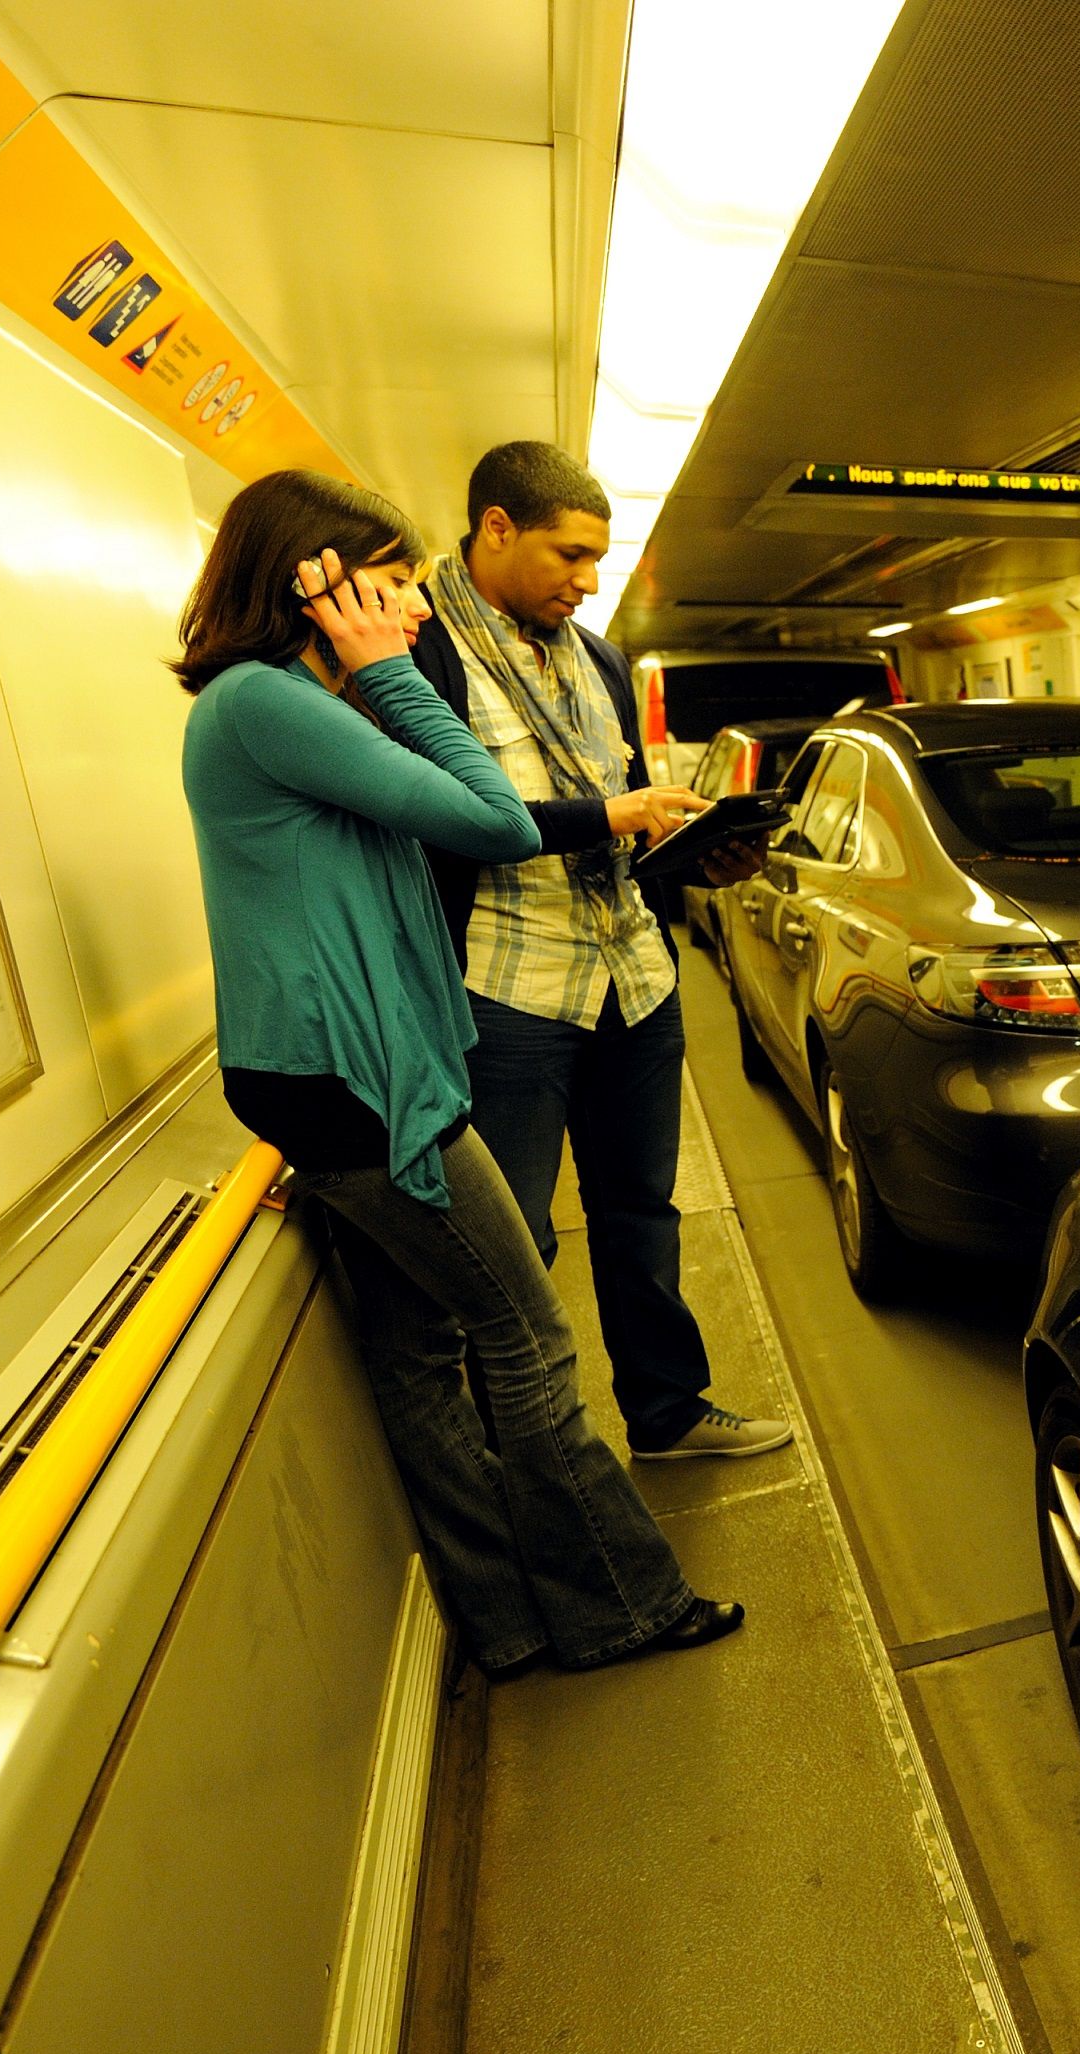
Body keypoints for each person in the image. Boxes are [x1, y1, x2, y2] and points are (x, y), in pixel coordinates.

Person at [177, 467, 744, 1675]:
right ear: (312, 588)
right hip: (356, 1083)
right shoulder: (265, 704)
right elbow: (491, 817)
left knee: (421, 1353)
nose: (416, 610)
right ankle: (619, 1606)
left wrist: (373, 671)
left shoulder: (284, 704)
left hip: (346, 1071)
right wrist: (386, 671)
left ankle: (506, 1618)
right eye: (388, 586)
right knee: (527, 1335)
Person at [404, 440, 788, 1464]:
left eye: (596, 562)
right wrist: (613, 814)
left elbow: (625, 833)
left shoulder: (600, 660)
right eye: (569, 556)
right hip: (508, 992)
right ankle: (540, 1455)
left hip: (632, 977)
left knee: (640, 1214)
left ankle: (664, 1412)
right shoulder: (420, 655)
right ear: (495, 530)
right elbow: (443, 819)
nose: (587, 581)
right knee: (516, 1242)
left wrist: (693, 860)